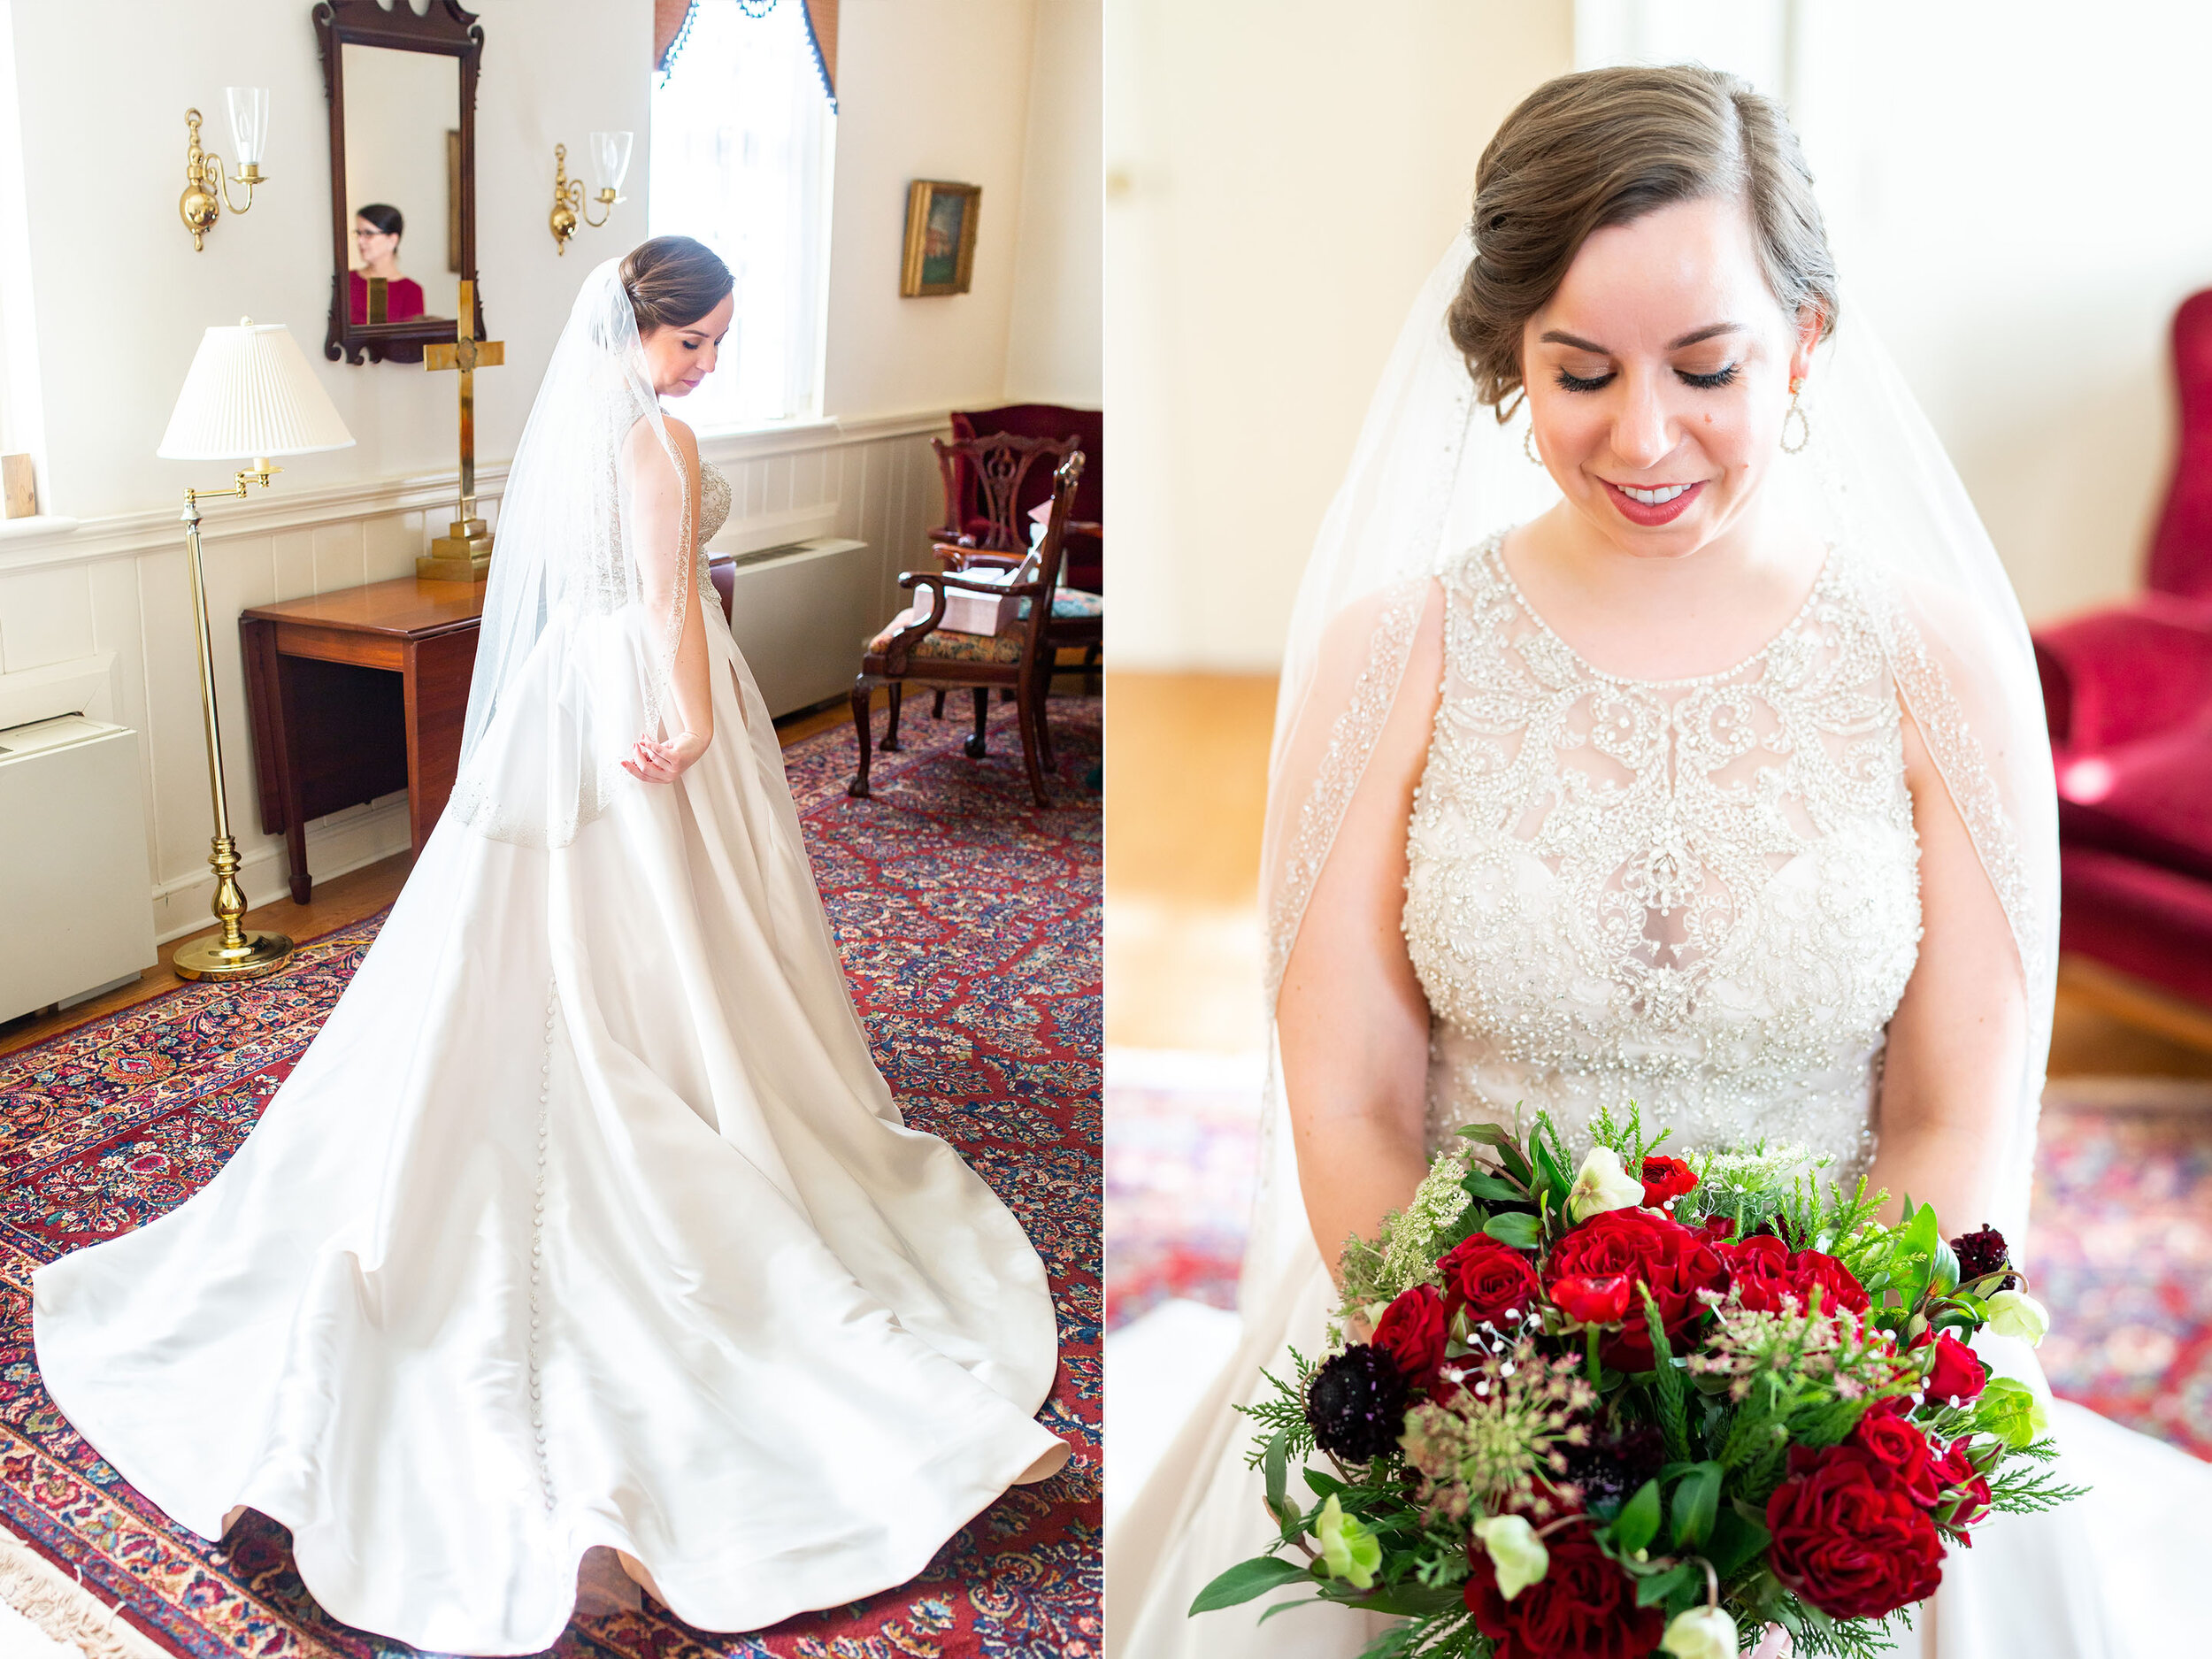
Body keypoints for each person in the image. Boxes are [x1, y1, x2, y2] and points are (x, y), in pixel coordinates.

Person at [1107, 65, 2211, 1658]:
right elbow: (1347, 1098)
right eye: (1580, 372)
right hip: (1464, 1397)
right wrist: (1496, 1417)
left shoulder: (1937, 666)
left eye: (1707, 368)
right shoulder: (1391, 657)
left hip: (1841, 1394)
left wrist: (1782, 1438)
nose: (1644, 436)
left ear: (1807, 344)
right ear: (1506, 364)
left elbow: (1957, 1108)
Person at [33, 236, 1067, 1654]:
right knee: (672, 926)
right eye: (696, 340)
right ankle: (682, 1100)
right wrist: (697, 722)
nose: (709, 363)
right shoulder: (655, 441)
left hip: (554, 707)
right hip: (641, 702)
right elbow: (663, 604)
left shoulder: (575, 429)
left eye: (714, 341)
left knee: (529, 929)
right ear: (646, 332)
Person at [349, 203, 425, 323]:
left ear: (392, 240)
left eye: (368, 234)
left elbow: (411, 340)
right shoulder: (347, 280)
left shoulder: (411, 291)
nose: (360, 241)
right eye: (358, 233)